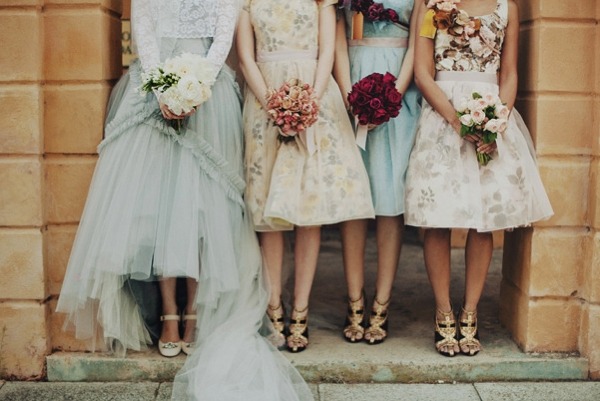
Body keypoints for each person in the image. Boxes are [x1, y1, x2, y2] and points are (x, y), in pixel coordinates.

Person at [56, 0, 313, 398]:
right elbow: (144, 36)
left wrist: (194, 90)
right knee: (158, 205)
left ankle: (192, 312)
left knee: (199, 209)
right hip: (150, 94)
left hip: (210, 99)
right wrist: (165, 91)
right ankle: (168, 313)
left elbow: (221, 40)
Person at [404, 0, 553, 357]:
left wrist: (495, 121)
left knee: (485, 221)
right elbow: (423, 73)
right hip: (443, 117)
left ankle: (470, 312)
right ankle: (443, 312)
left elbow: (509, 72)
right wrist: (457, 121)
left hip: (490, 117)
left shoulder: (508, 8)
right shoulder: (430, 4)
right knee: (437, 220)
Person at [237, 0, 375, 353]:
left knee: (308, 208)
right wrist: (272, 103)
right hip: (263, 99)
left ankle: (300, 310)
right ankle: (273, 309)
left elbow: (327, 49)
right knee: (268, 213)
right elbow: (245, 57)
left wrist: (308, 102)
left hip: (315, 100)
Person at [333, 0, 422, 344]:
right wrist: (348, 96)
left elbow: (418, 42)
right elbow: (340, 35)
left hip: (398, 86)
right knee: (354, 199)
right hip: (353, 81)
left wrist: (392, 97)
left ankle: (381, 303)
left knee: (389, 200)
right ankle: (355, 301)